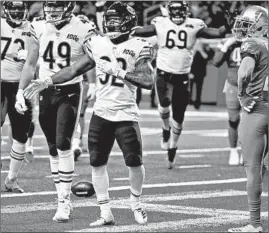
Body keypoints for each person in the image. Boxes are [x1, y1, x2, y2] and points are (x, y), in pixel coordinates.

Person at [23, 2, 154, 227]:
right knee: (96, 162)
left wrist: (121, 72)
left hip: (125, 113)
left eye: (116, 21)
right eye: (109, 21)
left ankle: (136, 203)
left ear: (128, 23)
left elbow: (148, 81)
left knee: (133, 161)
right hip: (101, 112)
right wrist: (47, 80)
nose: (111, 25)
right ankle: (105, 212)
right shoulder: (98, 43)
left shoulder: (139, 45)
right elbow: (74, 70)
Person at [15, 1, 96, 222]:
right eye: (49, 5)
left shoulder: (83, 28)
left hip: (69, 91)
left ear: (69, 7)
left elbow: (85, 63)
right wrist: (20, 91)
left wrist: (50, 80)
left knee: (63, 144)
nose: (51, 11)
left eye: (57, 6)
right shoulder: (38, 26)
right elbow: (31, 63)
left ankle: (64, 202)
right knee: (52, 148)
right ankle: (60, 195)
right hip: (45, 91)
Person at [132, 1, 234, 169]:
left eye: (181, 10)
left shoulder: (194, 25)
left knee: (179, 118)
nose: (178, 13)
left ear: (186, 11)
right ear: (169, 11)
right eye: (175, 10)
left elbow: (217, 33)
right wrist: (128, 29)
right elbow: (141, 32)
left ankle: (173, 146)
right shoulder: (160, 23)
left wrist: (227, 26)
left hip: (182, 75)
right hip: (164, 72)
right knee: (164, 105)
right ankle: (165, 129)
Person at [227, 5, 268, 232]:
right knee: (263, 168)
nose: (242, 26)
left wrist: (242, 95)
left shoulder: (253, 44)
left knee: (253, 168)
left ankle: (254, 224)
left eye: (248, 23)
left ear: (260, 25)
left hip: (258, 108)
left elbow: (244, 72)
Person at [1, 1, 33, 193]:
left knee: (21, 134)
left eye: (19, 9)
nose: (16, 12)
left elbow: (44, 58)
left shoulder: (35, 28)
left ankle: (12, 178)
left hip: (22, 86)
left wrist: (30, 57)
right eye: (12, 9)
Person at [213, 35, 243, 166]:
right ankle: (233, 151)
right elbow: (216, 61)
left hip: (253, 86)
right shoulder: (227, 41)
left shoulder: (259, 41)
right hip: (233, 84)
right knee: (233, 119)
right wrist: (226, 47)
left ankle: (248, 151)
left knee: (252, 121)